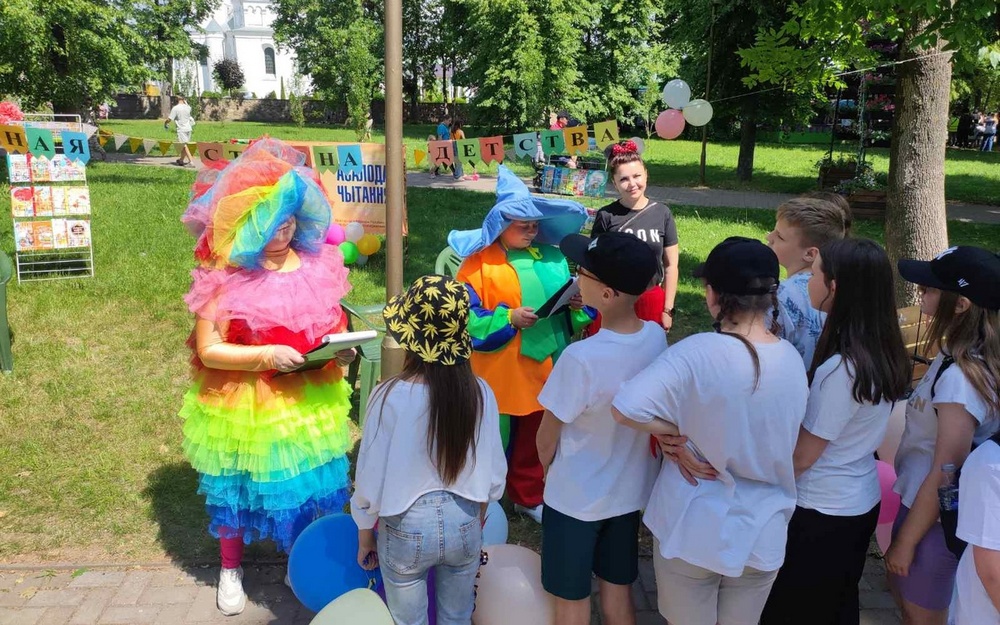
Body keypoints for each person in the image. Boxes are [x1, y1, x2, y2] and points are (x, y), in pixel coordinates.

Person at [178, 139, 356, 616]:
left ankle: (298, 561)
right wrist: (265, 356)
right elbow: (208, 349)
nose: (285, 226)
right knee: (237, 485)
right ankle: (230, 567)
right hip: (245, 399)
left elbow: (330, 323)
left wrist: (340, 345)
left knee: (303, 480)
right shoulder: (226, 272)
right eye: (272, 217)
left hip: (307, 395)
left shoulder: (317, 264)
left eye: (290, 214)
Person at [612, 236, 809, 625]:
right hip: (764, 527)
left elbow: (625, 407)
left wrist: (675, 433)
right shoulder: (791, 359)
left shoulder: (697, 351)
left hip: (693, 525)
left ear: (713, 295)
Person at [759, 238, 911, 625]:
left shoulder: (841, 372)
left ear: (835, 287)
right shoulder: (881, 349)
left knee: (795, 608)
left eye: (816, 273)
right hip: (856, 499)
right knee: (838, 602)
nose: (808, 280)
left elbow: (803, 457)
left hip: (821, 511)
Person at [352, 275, 507, 625]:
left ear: (410, 338)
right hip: (466, 521)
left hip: (405, 525)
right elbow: (495, 477)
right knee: (457, 617)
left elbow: (369, 477)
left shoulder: (387, 395)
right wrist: (478, 519)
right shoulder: (480, 392)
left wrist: (365, 535)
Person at [448, 165, 595, 524]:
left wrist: (577, 304)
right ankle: (486, 496)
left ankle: (528, 495)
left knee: (536, 429)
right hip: (502, 365)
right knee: (492, 432)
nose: (533, 230)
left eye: (535, 224)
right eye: (523, 225)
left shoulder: (554, 256)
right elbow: (465, 316)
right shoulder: (476, 264)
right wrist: (507, 319)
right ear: (501, 226)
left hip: (546, 360)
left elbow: (577, 301)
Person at [536, 232, 665, 625]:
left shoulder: (580, 357)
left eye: (582, 273)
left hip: (574, 499)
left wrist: (549, 475)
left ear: (606, 295)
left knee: (570, 599)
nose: (577, 279)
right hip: (627, 495)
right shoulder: (657, 337)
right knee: (617, 589)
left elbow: (546, 437)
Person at [887, 246, 1000, 625]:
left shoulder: (959, 380)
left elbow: (945, 471)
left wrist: (905, 542)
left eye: (931, 289)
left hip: (931, 526)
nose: (922, 292)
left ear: (962, 304)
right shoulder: (955, 356)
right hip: (923, 512)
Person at [589, 139, 679, 332]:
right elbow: (592, 264)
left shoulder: (662, 213)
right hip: (612, 300)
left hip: (650, 299)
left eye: (637, 176)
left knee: (649, 358)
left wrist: (668, 309)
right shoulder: (606, 215)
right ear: (614, 182)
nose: (632, 184)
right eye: (623, 179)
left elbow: (671, 266)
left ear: (646, 174)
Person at [767, 197, 849, 367]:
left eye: (780, 237)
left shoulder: (779, 296)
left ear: (810, 254)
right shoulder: (839, 288)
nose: (769, 237)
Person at [165, 95, 195, 167]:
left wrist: (165, 122)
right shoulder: (188, 107)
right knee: (184, 145)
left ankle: (191, 162)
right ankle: (181, 160)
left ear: (176, 100)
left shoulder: (175, 108)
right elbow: (188, 107)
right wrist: (185, 102)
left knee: (184, 145)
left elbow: (170, 119)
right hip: (189, 128)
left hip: (181, 129)